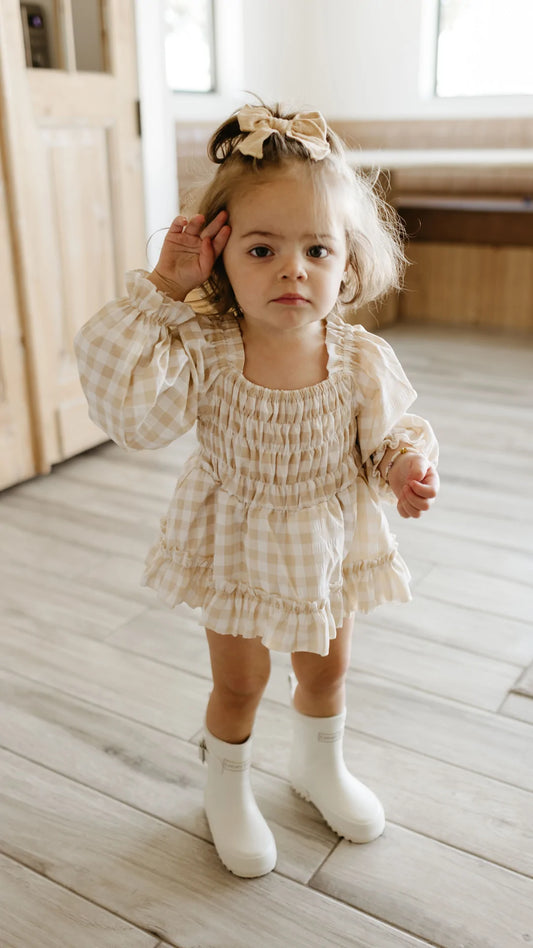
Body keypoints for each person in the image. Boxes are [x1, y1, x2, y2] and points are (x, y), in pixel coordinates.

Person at [75, 102, 439, 879]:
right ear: (219, 257)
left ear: (347, 262)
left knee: (326, 669)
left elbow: (386, 437)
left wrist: (404, 469)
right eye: (262, 248)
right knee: (240, 682)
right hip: (235, 540)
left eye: (316, 248)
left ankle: (317, 764)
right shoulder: (203, 350)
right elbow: (127, 407)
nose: (292, 268)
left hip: (326, 541)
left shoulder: (357, 357)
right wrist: (163, 293)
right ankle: (226, 781)